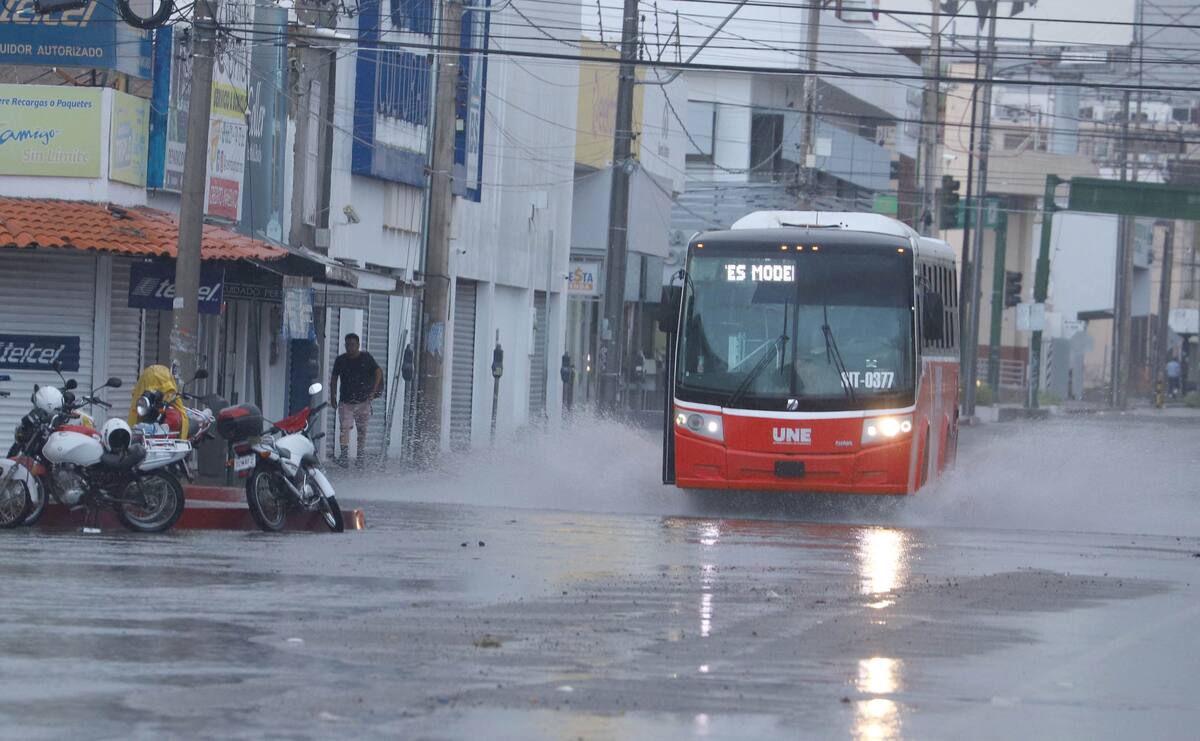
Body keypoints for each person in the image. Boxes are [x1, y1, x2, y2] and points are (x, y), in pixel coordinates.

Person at [330, 333, 382, 468]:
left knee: (362, 430)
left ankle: (360, 457)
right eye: (347, 345)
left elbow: (378, 372)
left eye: (352, 345)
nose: (350, 348)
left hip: (363, 401)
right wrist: (333, 396)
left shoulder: (366, 358)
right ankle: (344, 456)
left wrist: (374, 391)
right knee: (344, 429)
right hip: (346, 402)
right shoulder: (341, 360)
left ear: (358, 345)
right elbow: (334, 378)